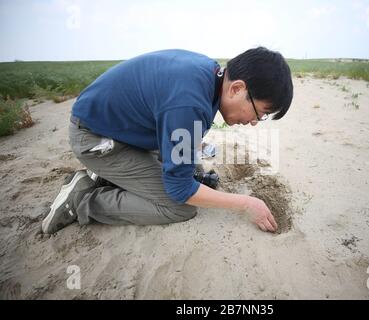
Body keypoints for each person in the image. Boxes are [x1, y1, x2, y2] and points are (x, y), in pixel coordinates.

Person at [41, 47, 293, 235]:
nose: (254, 122)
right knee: (179, 207)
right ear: (237, 88)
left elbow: (179, 129)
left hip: (117, 131)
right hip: (94, 140)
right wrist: (247, 203)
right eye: (259, 112)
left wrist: (193, 152)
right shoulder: (190, 102)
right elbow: (180, 190)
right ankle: (81, 201)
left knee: (193, 172)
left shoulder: (209, 73)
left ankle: (106, 176)